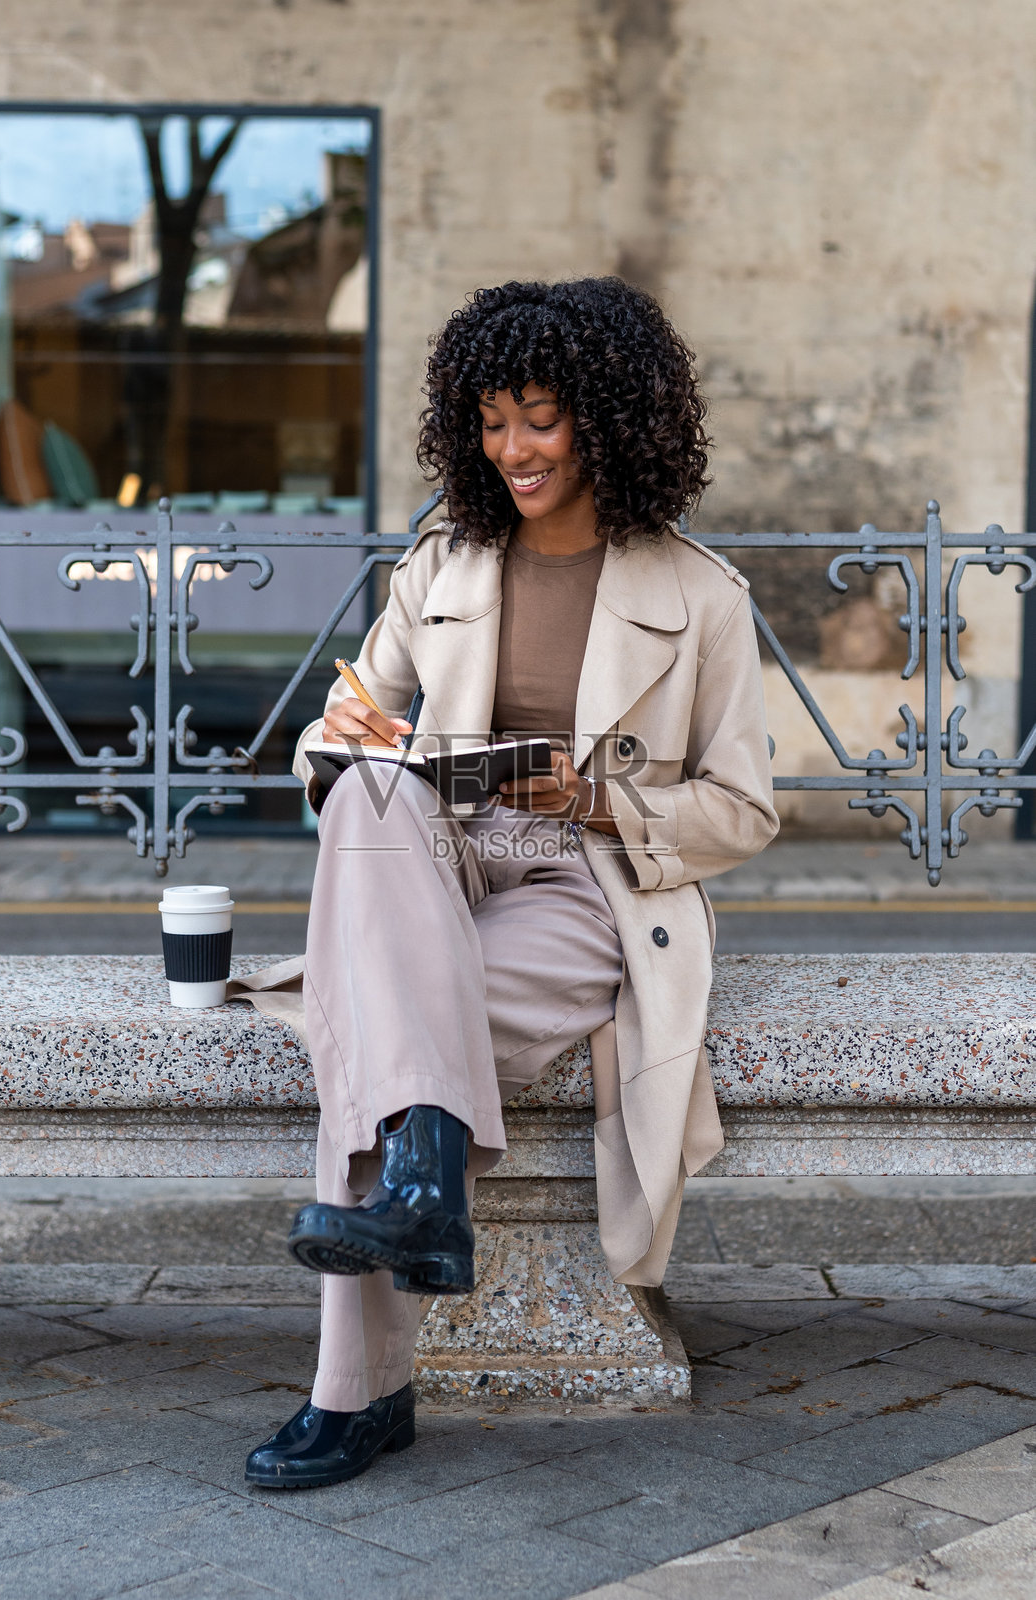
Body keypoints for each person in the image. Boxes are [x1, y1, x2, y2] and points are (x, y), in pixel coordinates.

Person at [243, 276, 778, 1490]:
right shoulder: (440, 561)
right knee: (376, 797)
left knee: (377, 1030)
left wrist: (596, 797)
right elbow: (338, 741)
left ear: (605, 416)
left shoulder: (699, 597)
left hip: (587, 886)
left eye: (537, 416)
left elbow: (744, 809)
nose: (511, 448)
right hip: (432, 856)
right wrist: (345, 742)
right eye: (489, 420)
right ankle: (428, 1190)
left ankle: (356, 1395)